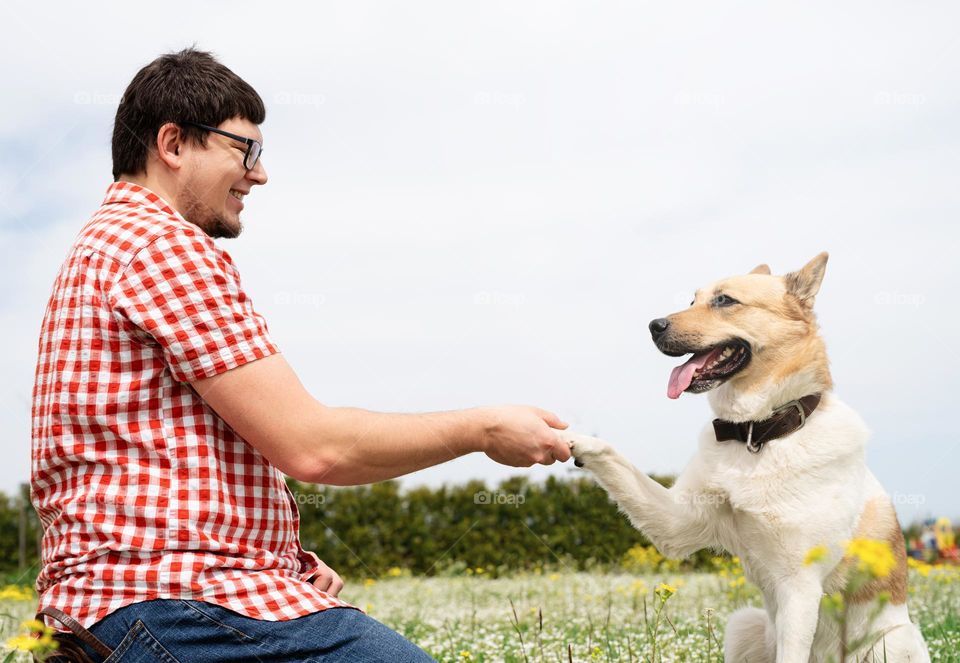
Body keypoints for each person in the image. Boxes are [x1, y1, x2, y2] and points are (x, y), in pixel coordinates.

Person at [30, 47, 571, 662]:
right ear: (174, 144)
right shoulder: (163, 246)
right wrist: (484, 427)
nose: (259, 175)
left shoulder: (103, 247)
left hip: (114, 605)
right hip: (172, 600)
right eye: (244, 150)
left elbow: (156, 458)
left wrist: (286, 560)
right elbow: (316, 448)